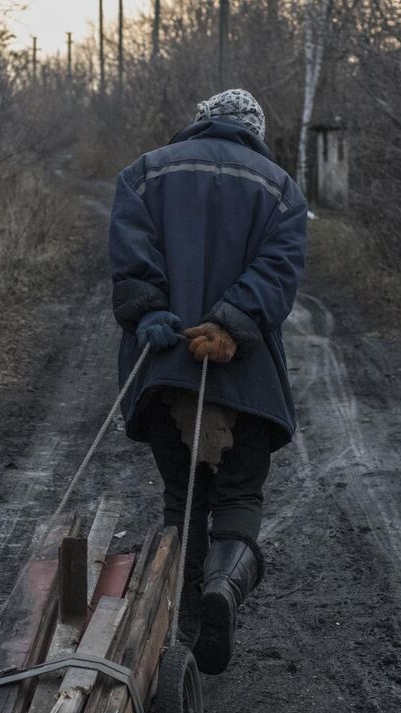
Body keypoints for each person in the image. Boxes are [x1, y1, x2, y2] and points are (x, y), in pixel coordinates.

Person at [107, 89, 307, 675]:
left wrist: (149, 311)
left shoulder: (143, 174)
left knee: (182, 497)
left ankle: (187, 624)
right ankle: (225, 589)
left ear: (201, 123)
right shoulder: (281, 189)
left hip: (165, 367)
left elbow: (130, 256)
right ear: (254, 131)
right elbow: (278, 272)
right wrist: (229, 324)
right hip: (243, 375)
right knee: (239, 494)